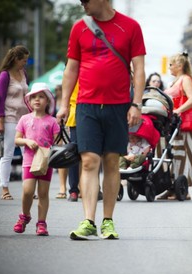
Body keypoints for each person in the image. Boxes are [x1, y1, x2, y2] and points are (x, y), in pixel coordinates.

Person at [57, 0, 146, 240]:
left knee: (110, 162)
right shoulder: (79, 27)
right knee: (88, 161)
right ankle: (88, 220)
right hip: (86, 105)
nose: (82, 2)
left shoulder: (130, 27)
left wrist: (136, 104)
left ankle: (108, 221)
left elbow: (139, 69)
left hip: (118, 107)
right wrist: (64, 104)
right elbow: (71, 69)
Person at [13, 83, 59, 236]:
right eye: (33, 97)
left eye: (41, 97)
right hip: (28, 161)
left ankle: (41, 223)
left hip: (46, 162)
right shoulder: (24, 119)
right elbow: (17, 140)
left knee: (43, 193)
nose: (37, 100)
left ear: (47, 101)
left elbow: (57, 142)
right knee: (27, 191)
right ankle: (24, 216)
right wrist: (27, 141)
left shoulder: (52, 121)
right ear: (29, 101)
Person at [156, 52, 192, 200]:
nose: (169, 68)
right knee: (171, 154)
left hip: (182, 124)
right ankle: (170, 187)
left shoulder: (185, 80)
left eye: (171, 65)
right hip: (172, 124)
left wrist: (178, 110)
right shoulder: (174, 81)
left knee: (181, 155)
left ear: (180, 66)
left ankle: (182, 189)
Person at [0, 45, 30, 200]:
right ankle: (4, 188)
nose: (25, 63)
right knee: (8, 153)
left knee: (27, 153)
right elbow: (0, 100)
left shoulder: (23, 73)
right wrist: (0, 121)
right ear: (16, 59)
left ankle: (27, 187)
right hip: (9, 118)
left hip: (24, 118)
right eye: (24, 60)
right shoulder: (4, 75)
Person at [54, 84, 68, 199]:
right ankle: (62, 187)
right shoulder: (53, 101)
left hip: (72, 124)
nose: (57, 91)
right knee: (62, 155)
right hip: (59, 128)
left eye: (59, 89)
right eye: (56, 90)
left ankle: (77, 186)